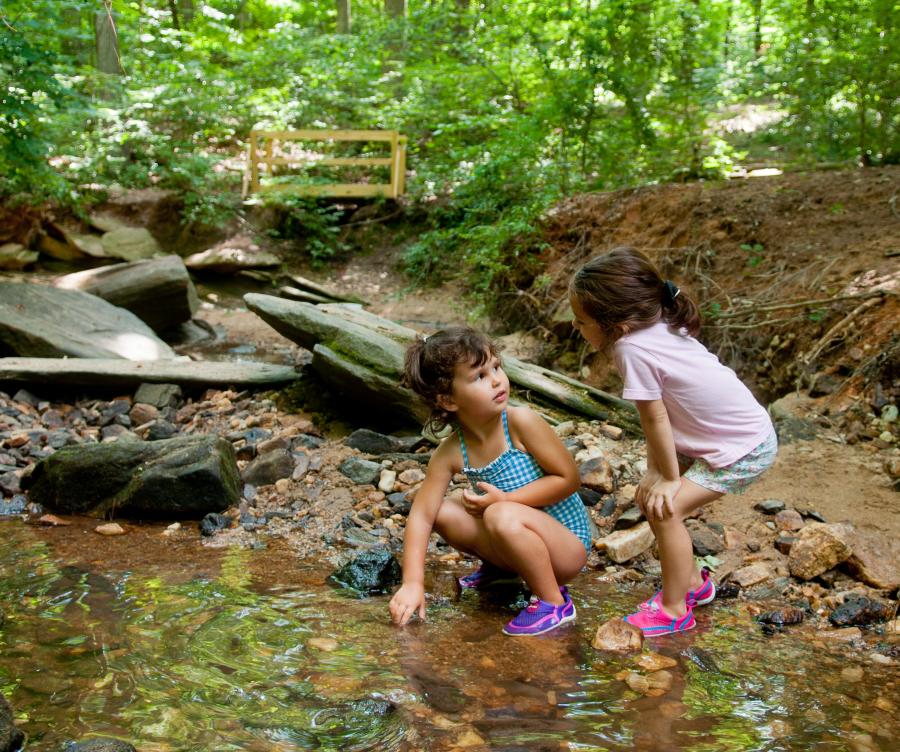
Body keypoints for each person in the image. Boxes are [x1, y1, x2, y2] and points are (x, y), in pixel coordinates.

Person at [569, 247, 777, 636]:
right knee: (656, 502)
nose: (578, 330)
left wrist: (667, 477)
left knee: (665, 510)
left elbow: (655, 416)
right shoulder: (656, 323)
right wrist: (655, 471)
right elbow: (659, 415)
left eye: (582, 322)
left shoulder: (632, 348)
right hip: (729, 433)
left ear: (615, 321)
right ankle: (696, 585)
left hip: (743, 446)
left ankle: (674, 607)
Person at [388, 327, 592, 636]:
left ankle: (554, 603)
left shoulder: (520, 423)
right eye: (480, 376)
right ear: (449, 400)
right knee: (443, 510)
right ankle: (503, 572)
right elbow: (422, 514)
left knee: (498, 513)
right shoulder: (452, 451)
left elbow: (568, 479)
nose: (497, 379)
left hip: (566, 546)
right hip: (515, 535)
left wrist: (507, 501)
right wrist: (412, 583)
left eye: (496, 367)